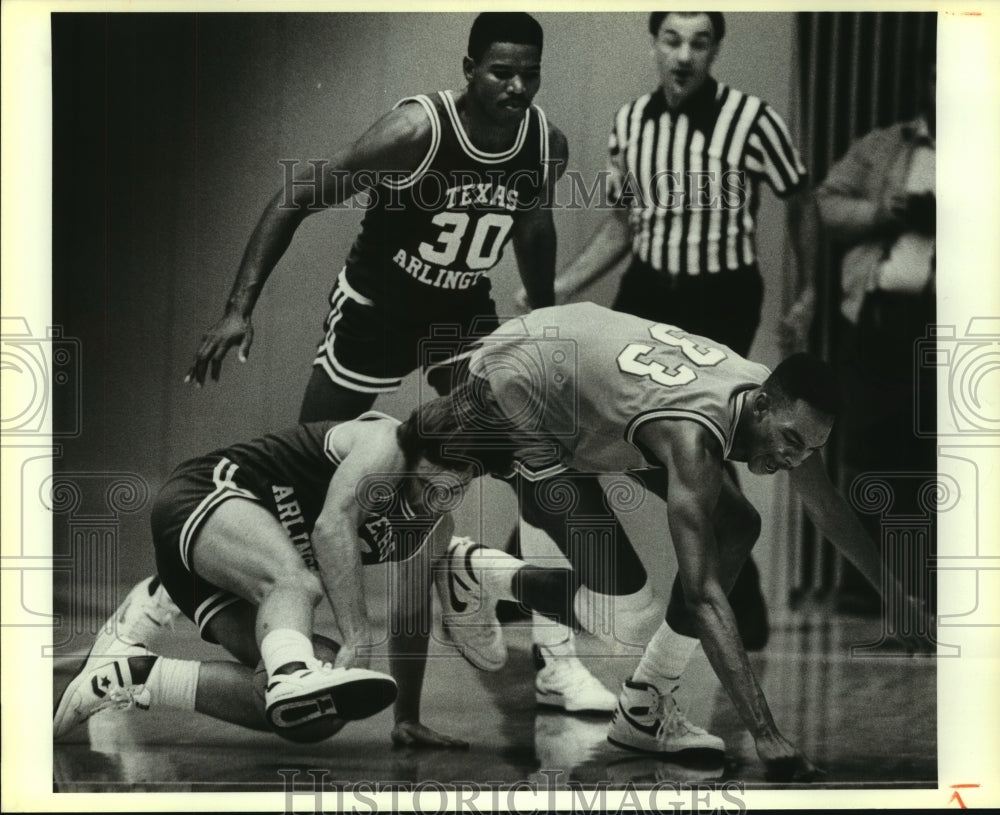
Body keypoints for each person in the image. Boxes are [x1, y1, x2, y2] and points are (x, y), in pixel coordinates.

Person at [184, 11, 614, 713]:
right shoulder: (416, 132)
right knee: (303, 485)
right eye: (501, 72)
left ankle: (551, 655)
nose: (515, 87)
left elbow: (533, 223)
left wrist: (539, 317)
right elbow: (297, 194)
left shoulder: (544, 143)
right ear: (468, 67)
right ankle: (183, 598)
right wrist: (240, 305)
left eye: (528, 74)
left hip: (458, 316)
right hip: (376, 314)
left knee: (540, 450)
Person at [432, 302, 930, 781]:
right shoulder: (694, 440)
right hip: (511, 385)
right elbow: (704, 597)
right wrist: (765, 732)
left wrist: (896, 597)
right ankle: (469, 570)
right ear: (760, 406)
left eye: (810, 449)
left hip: (577, 372)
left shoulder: (774, 401)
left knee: (738, 525)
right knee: (626, 614)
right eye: (792, 443)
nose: (794, 459)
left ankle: (646, 706)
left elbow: (827, 508)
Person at [520, 11, 821, 652]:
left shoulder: (752, 119)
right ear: (655, 44)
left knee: (717, 432)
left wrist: (810, 292)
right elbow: (624, 225)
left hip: (723, 293)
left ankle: (732, 599)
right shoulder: (631, 122)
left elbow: (802, 201)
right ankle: (528, 563)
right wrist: (562, 287)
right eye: (672, 39)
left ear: (715, 49)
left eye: (700, 41)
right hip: (651, 290)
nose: (684, 54)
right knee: (599, 416)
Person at [54, 406, 495, 748]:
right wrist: (358, 635)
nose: (435, 502)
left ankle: (133, 674)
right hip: (205, 497)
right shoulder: (385, 444)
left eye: (454, 490)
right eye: (426, 485)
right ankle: (163, 605)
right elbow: (330, 528)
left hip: (209, 578)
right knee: (297, 583)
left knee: (314, 713)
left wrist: (407, 718)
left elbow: (410, 617)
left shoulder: (435, 528)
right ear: (413, 457)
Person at [804, 54, 937, 614]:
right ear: (926, 83)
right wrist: (886, 212)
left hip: (959, 327)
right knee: (864, 450)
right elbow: (826, 204)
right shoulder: (884, 145)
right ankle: (864, 587)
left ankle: (932, 589)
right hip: (879, 318)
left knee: (946, 456)